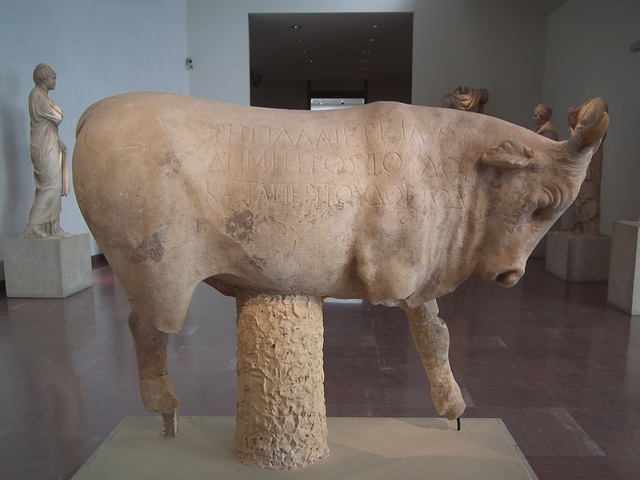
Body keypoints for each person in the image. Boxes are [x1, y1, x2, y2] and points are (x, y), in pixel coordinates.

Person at [21, 63, 69, 237]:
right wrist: (58, 111)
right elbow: (57, 117)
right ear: (43, 78)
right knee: (51, 187)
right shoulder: (37, 96)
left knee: (53, 187)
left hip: (50, 143)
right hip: (43, 147)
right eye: (53, 78)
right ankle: (33, 225)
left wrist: (59, 142)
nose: (55, 81)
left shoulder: (44, 97)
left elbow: (49, 125)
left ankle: (50, 227)